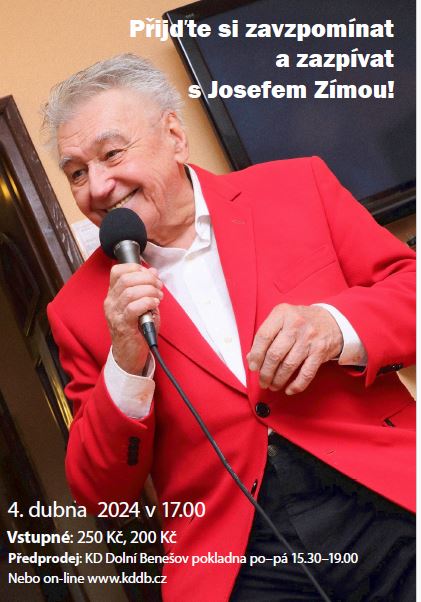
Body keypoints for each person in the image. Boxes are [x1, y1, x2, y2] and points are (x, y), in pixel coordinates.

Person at [44, 54, 415, 601]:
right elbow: (101, 492)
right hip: (237, 561)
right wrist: (124, 361)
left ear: (174, 137)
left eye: (112, 154)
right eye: (77, 172)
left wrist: (334, 326)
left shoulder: (297, 185)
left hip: (390, 501)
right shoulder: (75, 310)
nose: (98, 186)